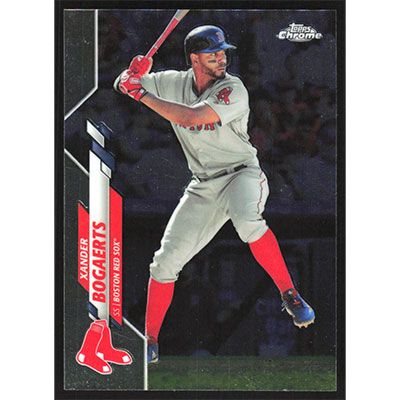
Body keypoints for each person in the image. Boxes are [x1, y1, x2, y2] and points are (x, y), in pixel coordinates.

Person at [114, 25, 315, 364]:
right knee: (164, 263)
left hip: (241, 174)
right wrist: (132, 74)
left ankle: (290, 293)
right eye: (213, 54)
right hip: (203, 184)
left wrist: (142, 94)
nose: (222, 58)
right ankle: (149, 341)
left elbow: (193, 118)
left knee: (248, 222)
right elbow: (122, 85)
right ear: (195, 59)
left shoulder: (233, 88)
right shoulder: (174, 83)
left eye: (223, 52)